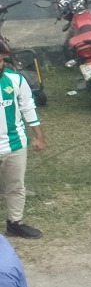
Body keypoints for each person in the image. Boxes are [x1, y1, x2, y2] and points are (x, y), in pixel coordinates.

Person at [0, 43, 42, 240]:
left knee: (16, 186)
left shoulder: (15, 79)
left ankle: (15, 224)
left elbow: (28, 107)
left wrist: (38, 136)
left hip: (15, 145)